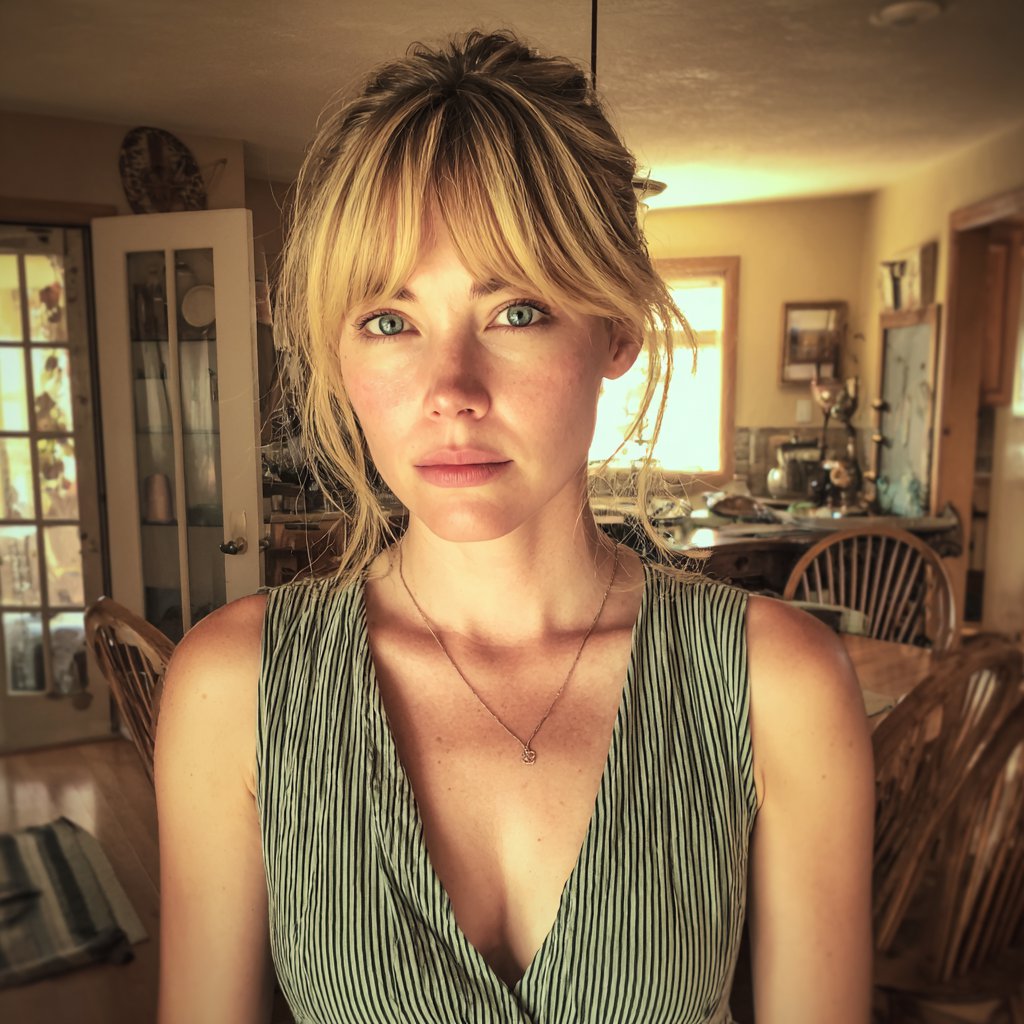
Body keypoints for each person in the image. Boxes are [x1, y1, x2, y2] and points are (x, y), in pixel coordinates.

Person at [154, 30, 874, 1024]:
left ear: (615, 328)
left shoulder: (777, 685)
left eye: (517, 310)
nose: (451, 389)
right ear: (337, 352)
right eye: (389, 320)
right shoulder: (233, 688)